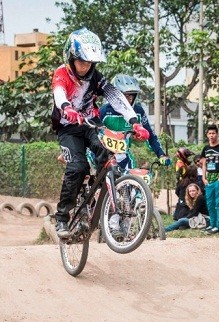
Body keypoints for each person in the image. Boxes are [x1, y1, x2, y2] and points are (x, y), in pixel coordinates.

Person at [51, 28, 149, 238]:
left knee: (109, 158)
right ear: (71, 57)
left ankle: (98, 199)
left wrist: (134, 122)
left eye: (90, 63)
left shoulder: (95, 76)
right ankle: (62, 218)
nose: (86, 67)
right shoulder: (61, 73)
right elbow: (59, 94)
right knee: (78, 167)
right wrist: (67, 108)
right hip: (68, 128)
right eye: (82, 62)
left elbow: (115, 96)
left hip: (90, 124)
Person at [100, 74, 171, 170]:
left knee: (129, 182)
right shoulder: (104, 111)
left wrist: (161, 154)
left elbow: (151, 136)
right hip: (102, 154)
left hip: (123, 155)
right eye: (126, 95)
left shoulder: (138, 111)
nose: (130, 98)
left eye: (132, 95)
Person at [200, 124, 219, 234]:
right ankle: (212, 224)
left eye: (213, 133)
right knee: (210, 203)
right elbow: (204, 164)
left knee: (218, 203)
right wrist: (204, 177)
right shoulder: (206, 148)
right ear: (207, 135)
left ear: (217, 134)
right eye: (210, 133)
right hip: (209, 179)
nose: (212, 135)